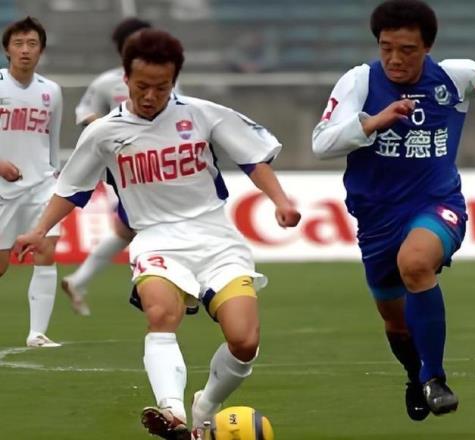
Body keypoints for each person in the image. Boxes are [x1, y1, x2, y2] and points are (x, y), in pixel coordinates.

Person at [15, 28, 301, 439]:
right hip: (155, 238)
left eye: (161, 87)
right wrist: (39, 229)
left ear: (174, 80)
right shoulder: (103, 132)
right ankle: (173, 413)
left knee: (244, 341)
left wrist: (281, 201)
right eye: (142, 86)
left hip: (216, 238)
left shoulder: (203, 114)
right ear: (126, 78)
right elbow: (72, 189)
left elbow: (253, 160)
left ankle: (205, 405)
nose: (150, 95)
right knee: (161, 315)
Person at [312, 0, 475, 421]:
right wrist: (372, 122)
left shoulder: (457, 77)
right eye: (386, 48)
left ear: (427, 47)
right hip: (377, 219)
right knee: (396, 323)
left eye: (407, 50)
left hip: (437, 203)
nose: (395, 58)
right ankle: (416, 376)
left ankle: (435, 377)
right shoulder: (360, 81)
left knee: (415, 263)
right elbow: (321, 143)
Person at [63, 17, 157, 316]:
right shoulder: (107, 82)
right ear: (122, 48)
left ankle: (78, 281)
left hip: (161, 163)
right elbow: (84, 112)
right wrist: (108, 129)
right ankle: (152, 285)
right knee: (147, 224)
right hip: (125, 168)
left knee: (128, 229)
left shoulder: (165, 76)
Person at [0, 16, 62, 347]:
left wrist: (56, 172)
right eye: (19, 44)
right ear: (7, 50)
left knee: (46, 248)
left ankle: (37, 333)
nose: (25, 50)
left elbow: (53, 138)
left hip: (42, 185)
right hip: (3, 190)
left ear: (41, 51)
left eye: (32, 44)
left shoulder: (51, 91)